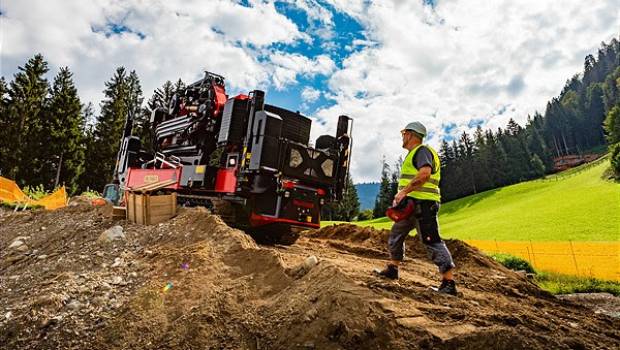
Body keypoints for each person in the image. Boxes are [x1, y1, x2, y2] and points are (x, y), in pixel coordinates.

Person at [374, 121, 457, 296]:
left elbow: (425, 174)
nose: (402, 136)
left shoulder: (422, 151)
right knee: (396, 234)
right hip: (411, 205)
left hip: (424, 205)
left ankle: (449, 283)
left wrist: (403, 191)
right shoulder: (413, 154)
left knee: (431, 240)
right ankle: (393, 269)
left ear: (411, 134)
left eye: (403, 133)